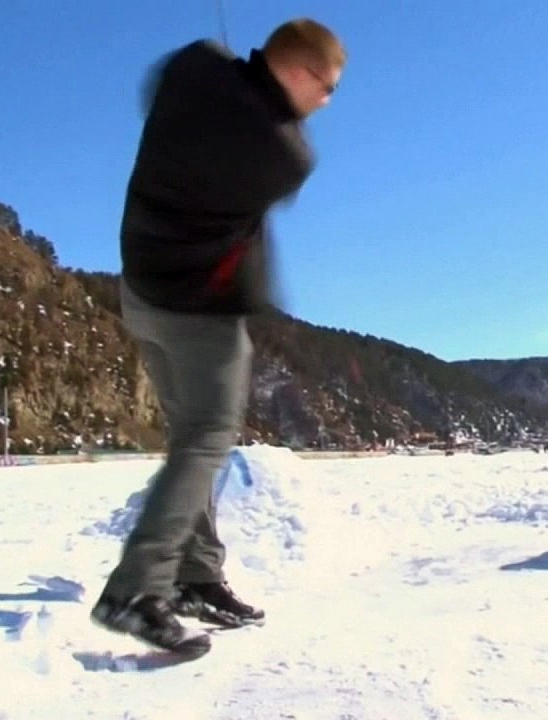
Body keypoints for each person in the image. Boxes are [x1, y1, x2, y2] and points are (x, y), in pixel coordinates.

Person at [90, 19, 346, 654]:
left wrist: (237, 73)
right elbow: (265, 137)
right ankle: (136, 589)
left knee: (190, 442)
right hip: (199, 310)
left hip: (140, 292)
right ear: (298, 72)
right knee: (208, 437)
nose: (328, 101)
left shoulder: (197, 65)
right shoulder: (288, 157)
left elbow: (182, 80)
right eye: (327, 85)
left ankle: (196, 575)